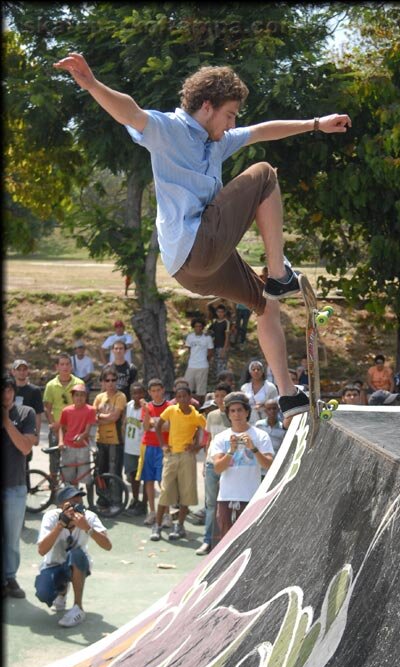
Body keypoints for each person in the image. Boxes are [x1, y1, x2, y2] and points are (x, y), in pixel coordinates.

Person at [53, 54, 351, 421]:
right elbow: (129, 112)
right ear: (207, 106)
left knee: (265, 304)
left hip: (192, 270)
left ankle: (288, 395)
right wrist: (93, 85)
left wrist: (317, 124)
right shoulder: (168, 130)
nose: (231, 124)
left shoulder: (218, 141)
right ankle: (278, 273)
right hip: (197, 245)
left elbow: (261, 130)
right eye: (229, 115)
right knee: (264, 174)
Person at [35, 485, 112, 627]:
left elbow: (108, 545)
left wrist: (88, 528)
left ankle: (78, 608)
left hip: (79, 563)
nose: (76, 508)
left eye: (79, 503)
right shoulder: (51, 517)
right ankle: (62, 591)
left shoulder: (88, 517)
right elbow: (41, 550)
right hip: (53, 564)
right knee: (43, 593)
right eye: (72, 504)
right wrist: (60, 525)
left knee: (77, 553)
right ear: (60, 506)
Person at [211, 392, 274, 543]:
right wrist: (231, 451)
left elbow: (269, 465)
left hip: (251, 496)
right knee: (224, 542)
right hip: (226, 497)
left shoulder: (260, 435)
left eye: (240, 410)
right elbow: (217, 468)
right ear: (228, 414)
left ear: (247, 412)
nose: (236, 414)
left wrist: (253, 448)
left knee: (249, 541)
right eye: (232, 411)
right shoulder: (220, 438)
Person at [152, 384, 206, 542]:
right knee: (165, 490)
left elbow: (207, 431)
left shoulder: (196, 415)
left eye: (185, 396)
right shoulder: (171, 410)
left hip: (187, 456)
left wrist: (197, 446)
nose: (182, 399)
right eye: (179, 396)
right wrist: (162, 443)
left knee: (186, 493)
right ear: (176, 398)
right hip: (171, 454)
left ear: (190, 398)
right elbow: (158, 425)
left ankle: (180, 526)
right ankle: (158, 525)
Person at [2, 372, 37, 599]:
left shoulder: (26, 413)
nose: (5, 395)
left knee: (12, 536)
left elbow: (25, 446)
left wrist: (5, 421)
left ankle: (10, 576)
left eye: (9, 390)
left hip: (15, 485)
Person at [196, 383, 231, 556]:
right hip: (211, 464)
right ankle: (207, 541)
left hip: (230, 466)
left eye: (222, 395)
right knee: (210, 504)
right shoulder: (210, 416)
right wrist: (204, 463)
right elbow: (209, 440)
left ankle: (225, 542)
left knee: (227, 504)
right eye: (216, 396)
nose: (219, 399)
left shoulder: (234, 415)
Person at [138, 378, 173, 526]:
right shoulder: (147, 407)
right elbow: (146, 427)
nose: (156, 393)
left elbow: (168, 427)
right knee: (149, 480)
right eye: (153, 391)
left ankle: (166, 514)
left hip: (164, 447)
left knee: (163, 481)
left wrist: (155, 423)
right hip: (148, 446)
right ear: (149, 392)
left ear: (163, 390)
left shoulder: (170, 406)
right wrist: (148, 414)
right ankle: (151, 512)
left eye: (159, 390)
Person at [93, 366, 127, 513]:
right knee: (100, 472)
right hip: (100, 440)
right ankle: (102, 501)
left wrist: (101, 417)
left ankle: (116, 502)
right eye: (107, 380)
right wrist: (104, 418)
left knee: (114, 472)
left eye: (114, 380)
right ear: (103, 382)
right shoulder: (99, 397)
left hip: (115, 441)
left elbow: (115, 417)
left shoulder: (121, 397)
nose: (111, 383)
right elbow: (93, 418)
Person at [43, 352, 79, 479]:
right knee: (54, 461)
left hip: (73, 429)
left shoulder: (78, 384)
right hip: (56, 428)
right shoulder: (51, 385)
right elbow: (47, 408)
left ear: (71, 366)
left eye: (67, 364)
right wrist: (53, 424)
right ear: (57, 367)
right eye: (62, 364)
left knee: (72, 462)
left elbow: (82, 407)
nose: (65, 367)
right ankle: (53, 490)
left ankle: (71, 492)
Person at [58, 383, 97, 486]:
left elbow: (87, 431)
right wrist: (61, 441)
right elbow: (61, 428)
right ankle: (70, 500)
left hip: (83, 447)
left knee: (85, 478)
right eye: (76, 395)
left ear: (86, 397)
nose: (79, 398)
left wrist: (82, 436)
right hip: (68, 447)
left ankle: (88, 501)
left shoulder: (91, 410)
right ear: (72, 397)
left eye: (82, 395)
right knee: (68, 479)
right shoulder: (66, 411)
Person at [12, 358, 44, 461]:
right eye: (19, 369)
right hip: (11, 431)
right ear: (13, 372)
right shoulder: (8, 389)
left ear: (27, 371)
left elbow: (38, 414)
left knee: (25, 467)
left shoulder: (34, 391)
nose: (22, 372)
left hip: (26, 433)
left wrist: (37, 435)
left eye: (24, 369)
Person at [123, 382, 147, 516]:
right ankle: (135, 500)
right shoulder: (129, 405)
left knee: (145, 477)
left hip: (142, 448)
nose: (137, 395)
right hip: (129, 447)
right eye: (134, 393)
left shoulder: (146, 407)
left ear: (144, 394)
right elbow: (125, 424)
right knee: (132, 476)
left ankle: (144, 504)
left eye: (139, 393)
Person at [184, 318, 214, 404]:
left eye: (200, 326)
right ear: (193, 327)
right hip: (191, 365)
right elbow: (189, 349)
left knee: (201, 390)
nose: (198, 328)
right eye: (196, 326)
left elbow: (210, 351)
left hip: (203, 366)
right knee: (187, 388)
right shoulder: (190, 337)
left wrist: (205, 360)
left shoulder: (207, 338)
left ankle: (200, 407)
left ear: (203, 327)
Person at [255, 398, 286, 476]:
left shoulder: (283, 428)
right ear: (265, 411)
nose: (272, 411)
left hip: (276, 469)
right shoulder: (258, 425)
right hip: (259, 469)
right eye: (269, 409)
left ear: (278, 410)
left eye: (274, 408)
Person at [207, 304, 231, 377]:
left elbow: (227, 337)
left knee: (222, 364)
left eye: (222, 312)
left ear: (224, 313)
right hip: (214, 345)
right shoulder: (214, 321)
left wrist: (224, 349)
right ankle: (216, 378)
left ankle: (222, 380)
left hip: (222, 346)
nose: (220, 313)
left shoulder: (226, 322)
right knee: (215, 362)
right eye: (218, 312)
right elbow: (209, 331)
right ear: (216, 312)